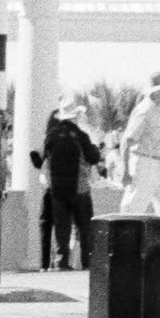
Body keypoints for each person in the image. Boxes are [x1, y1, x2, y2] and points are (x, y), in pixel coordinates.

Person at [119, 72, 160, 267]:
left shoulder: (158, 110)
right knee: (133, 208)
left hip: (159, 163)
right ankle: (124, 253)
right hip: (144, 162)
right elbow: (127, 140)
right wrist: (125, 170)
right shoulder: (144, 110)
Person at [34, 94, 101, 271]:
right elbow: (93, 157)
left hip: (57, 191)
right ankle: (87, 263)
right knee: (85, 227)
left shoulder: (51, 136)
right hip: (79, 189)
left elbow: (37, 158)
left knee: (61, 229)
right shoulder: (80, 135)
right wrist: (95, 149)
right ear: (75, 116)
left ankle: (61, 262)